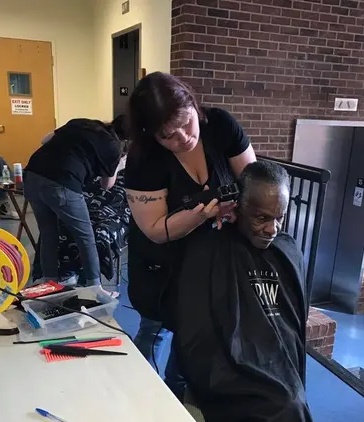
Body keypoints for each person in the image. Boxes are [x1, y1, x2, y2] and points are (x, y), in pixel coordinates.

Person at [123, 71, 256, 398]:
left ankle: (176, 394)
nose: (183, 137)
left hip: (210, 258)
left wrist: (245, 210)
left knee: (194, 333)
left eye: (187, 122)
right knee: (155, 328)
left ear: (194, 106)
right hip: (161, 264)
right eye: (168, 135)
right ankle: (142, 394)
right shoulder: (144, 159)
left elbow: (253, 181)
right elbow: (155, 231)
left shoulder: (221, 125)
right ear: (151, 134)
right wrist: (206, 213)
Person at [172, 160, 320, 422]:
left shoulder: (287, 252)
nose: (271, 229)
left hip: (280, 368)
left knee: (291, 404)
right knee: (285, 409)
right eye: (261, 217)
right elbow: (197, 339)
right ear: (238, 206)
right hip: (228, 372)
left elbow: (291, 328)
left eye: (280, 218)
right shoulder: (209, 250)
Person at [23, 118, 122, 290]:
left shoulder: (81, 123)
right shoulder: (114, 147)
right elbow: (107, 185)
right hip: (62, 182)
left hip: (32, 173)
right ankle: (94, 287)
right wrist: (118, 165)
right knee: (85, 237)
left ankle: (49, 283)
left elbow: (45, 140)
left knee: (48, 234)